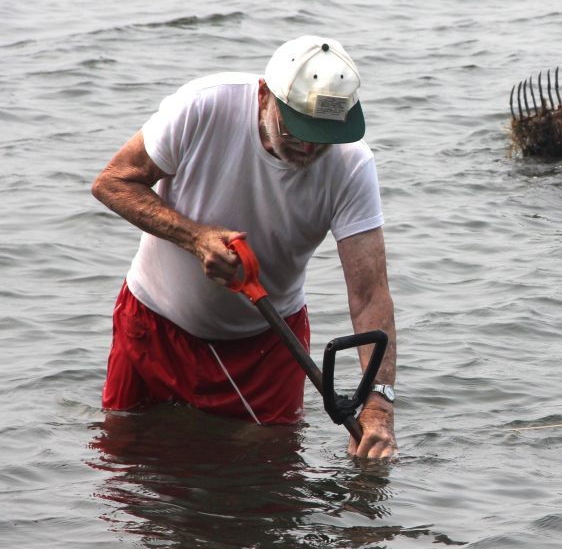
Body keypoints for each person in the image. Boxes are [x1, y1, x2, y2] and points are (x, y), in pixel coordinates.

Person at [92, 36, 397, 459]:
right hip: (154, 323)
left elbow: (369, 294)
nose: (308, 149)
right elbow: (113, 181)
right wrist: (194, 238)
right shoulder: (204, 106)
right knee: (130, 470)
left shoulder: (351, 165)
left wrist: (378, 406)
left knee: (267, 485)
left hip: (267, 346)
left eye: (322, 136)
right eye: (298, 130)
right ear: (263, 96)